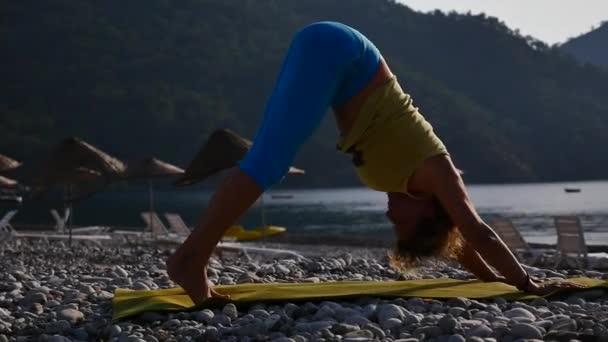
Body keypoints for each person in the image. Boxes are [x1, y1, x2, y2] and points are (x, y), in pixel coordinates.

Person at [167, 21, 582, 304]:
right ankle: (191, 259)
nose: (390, 217)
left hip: (331, 57)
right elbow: (475, 231)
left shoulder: (413, 192)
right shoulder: (439, 171)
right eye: (401, 223)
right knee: (269, 163)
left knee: (268, 160)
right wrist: (529, 283)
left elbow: (457, 245)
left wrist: (490, 281)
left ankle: (193, 255)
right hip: (344, 52)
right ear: (427, 211)